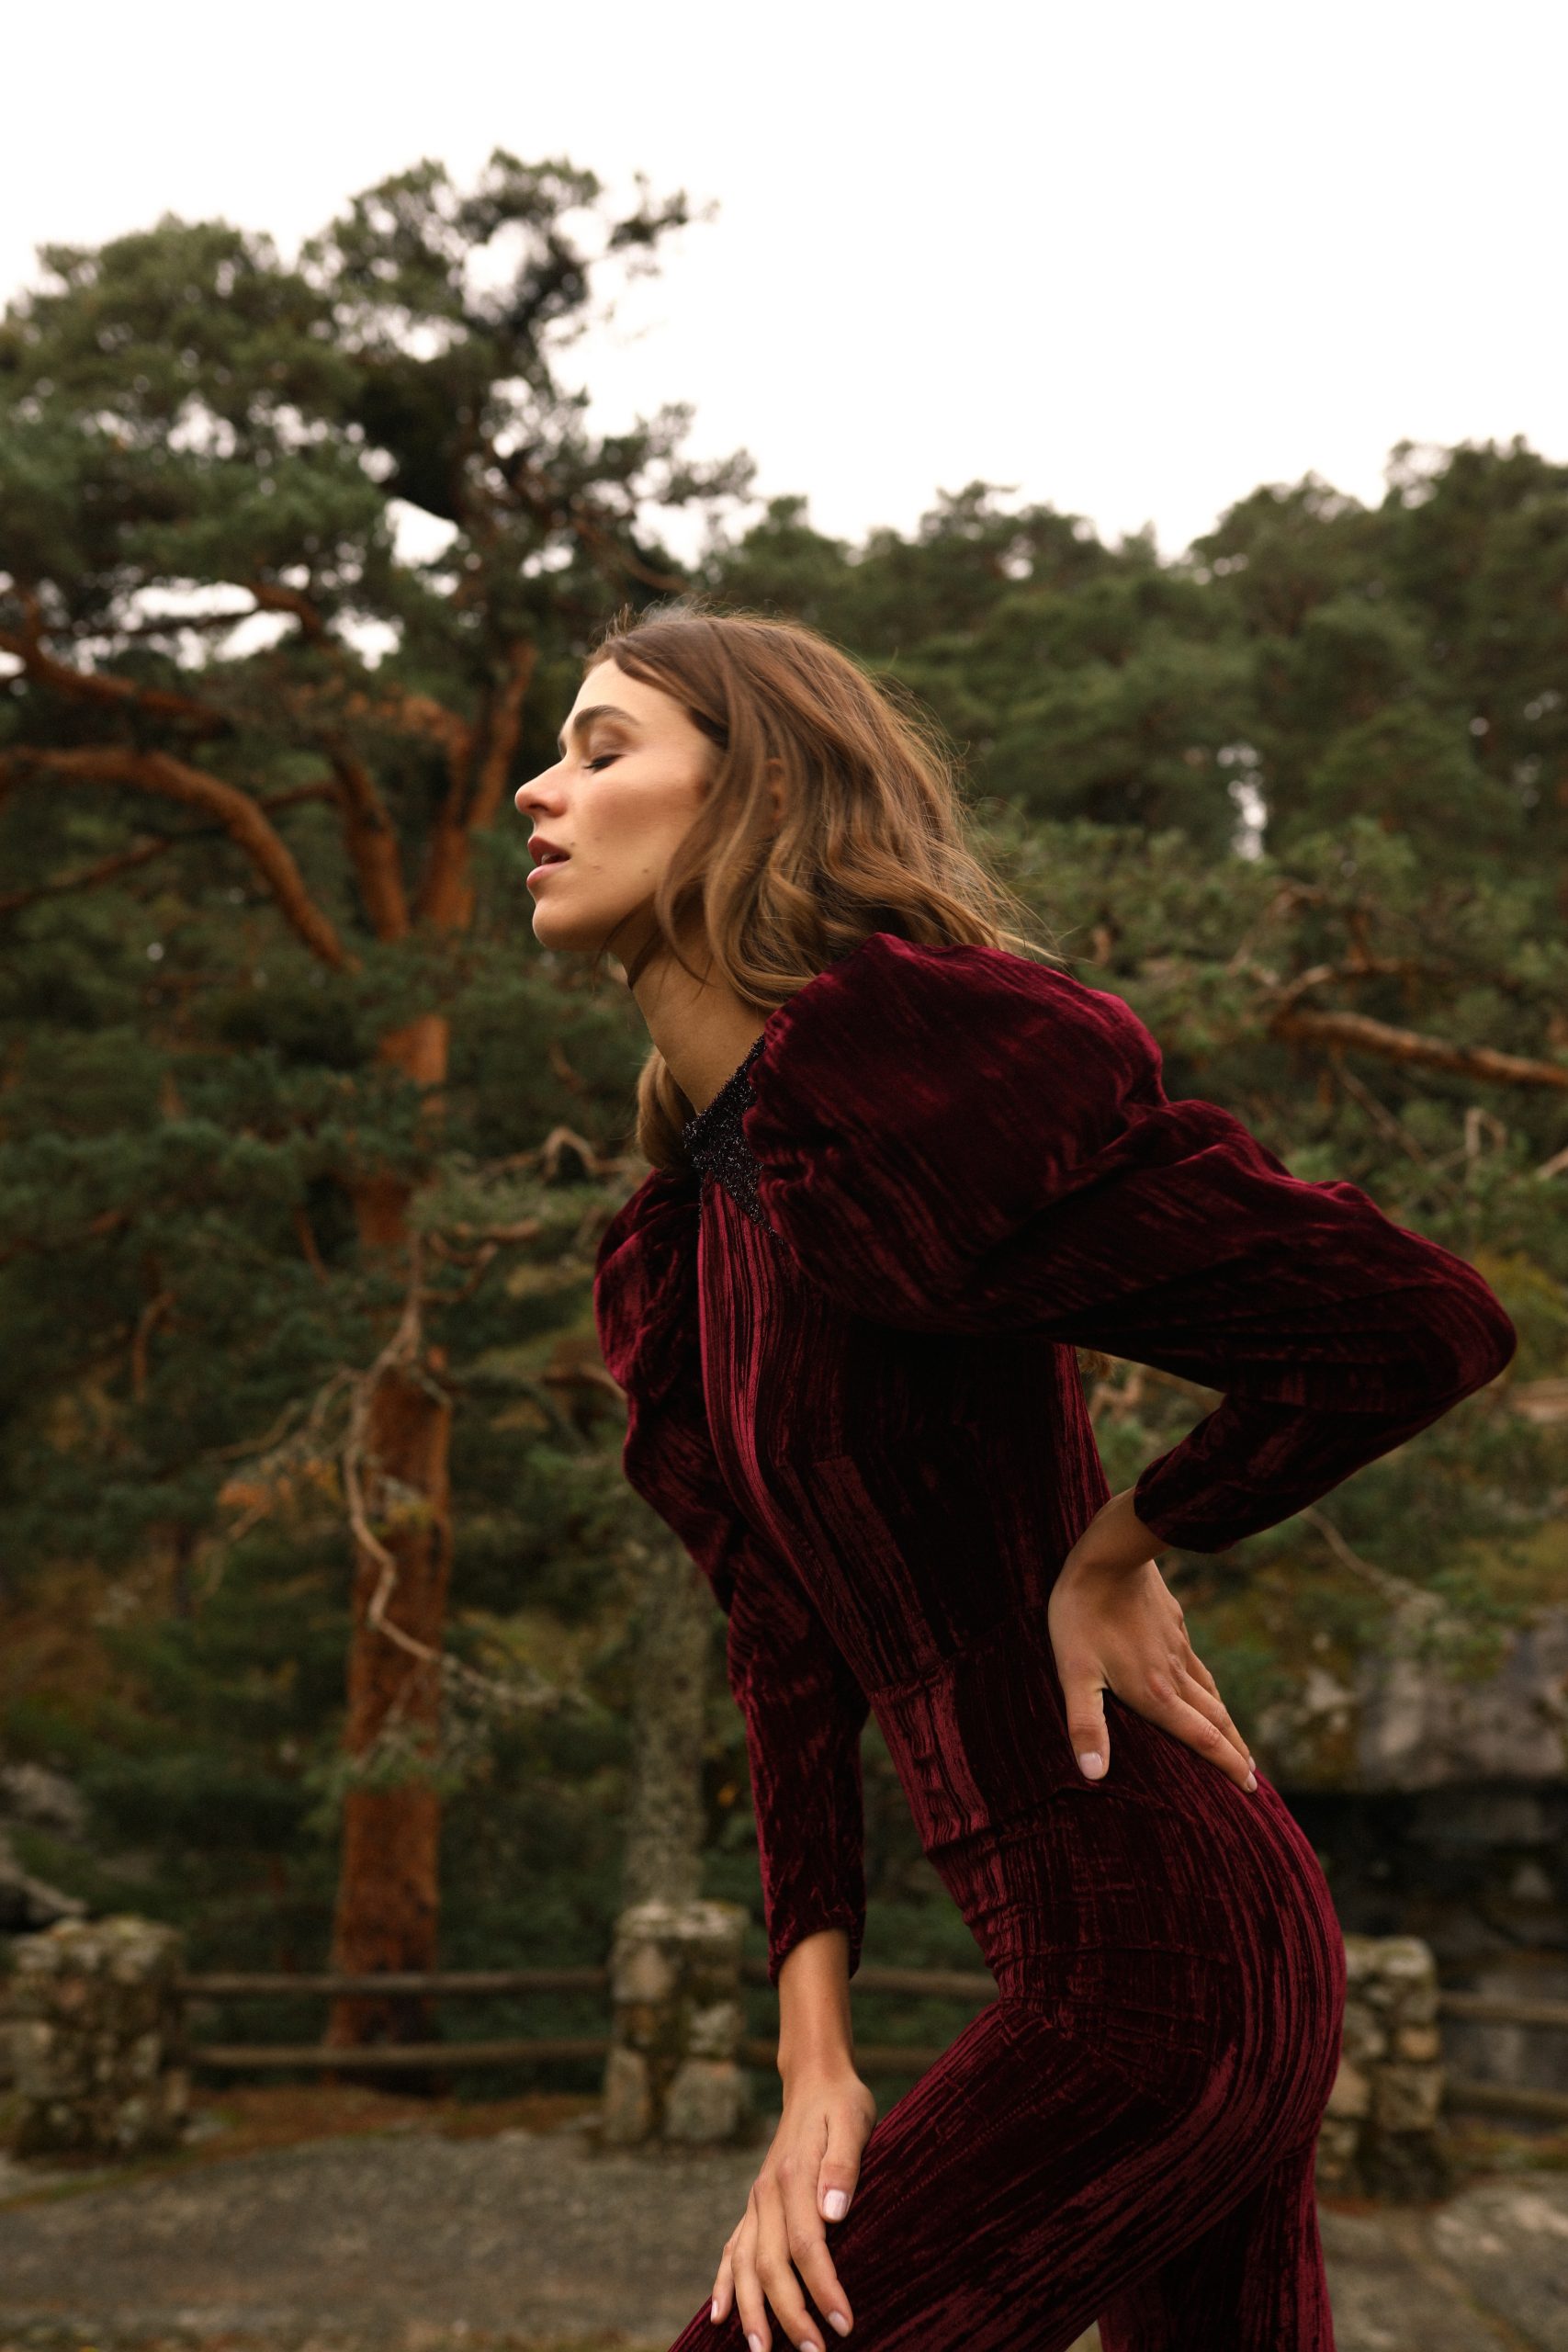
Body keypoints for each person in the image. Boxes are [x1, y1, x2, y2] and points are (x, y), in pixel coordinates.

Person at [513, 603, 1516, 2352]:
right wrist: (814, 2068)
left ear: (757, 797)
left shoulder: (898, 1099)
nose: (540, 790)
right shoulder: (703, 1232)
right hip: (1121, 1957)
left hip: (1166, 1968)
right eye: (555, 753)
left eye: (604, 750)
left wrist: (1123, 1544)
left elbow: (1412, 1320)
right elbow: (788, 1657)